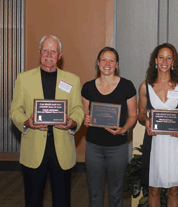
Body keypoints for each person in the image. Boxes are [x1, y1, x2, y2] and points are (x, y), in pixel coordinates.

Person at [9, 35, 85, 207]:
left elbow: (78, 109)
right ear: (39, 53)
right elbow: (14, 110)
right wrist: (27, 122)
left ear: (60, 55)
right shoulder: (23, 79)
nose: (48, 54)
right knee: (33, 200)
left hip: (62, 150)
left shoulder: (72, 80)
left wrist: (73, 122)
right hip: (33, 149)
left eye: (53, 51)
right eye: (45, 50)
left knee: (62, 201)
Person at [138, 43, 178, 207]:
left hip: (174, 142)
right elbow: (141, 112)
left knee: (174, 190)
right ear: (155, 60)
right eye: (161, 56)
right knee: (153, 190)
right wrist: (146, 120)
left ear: (173, 61)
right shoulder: (145, 86)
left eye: (169, 57)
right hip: (154, 142)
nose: (164, 61)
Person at [81, 46, 137, 207]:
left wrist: (124, 129)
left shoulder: (127, 86)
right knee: (94, 191)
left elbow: (133, 115)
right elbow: (86, 115)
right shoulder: (87, 88)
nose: (107, 63)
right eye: (104, 59)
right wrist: (85, 120)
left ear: (117, 64)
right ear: (98, 63)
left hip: (117, 146)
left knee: (116, 191)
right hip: (93, 147)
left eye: (112, 60)